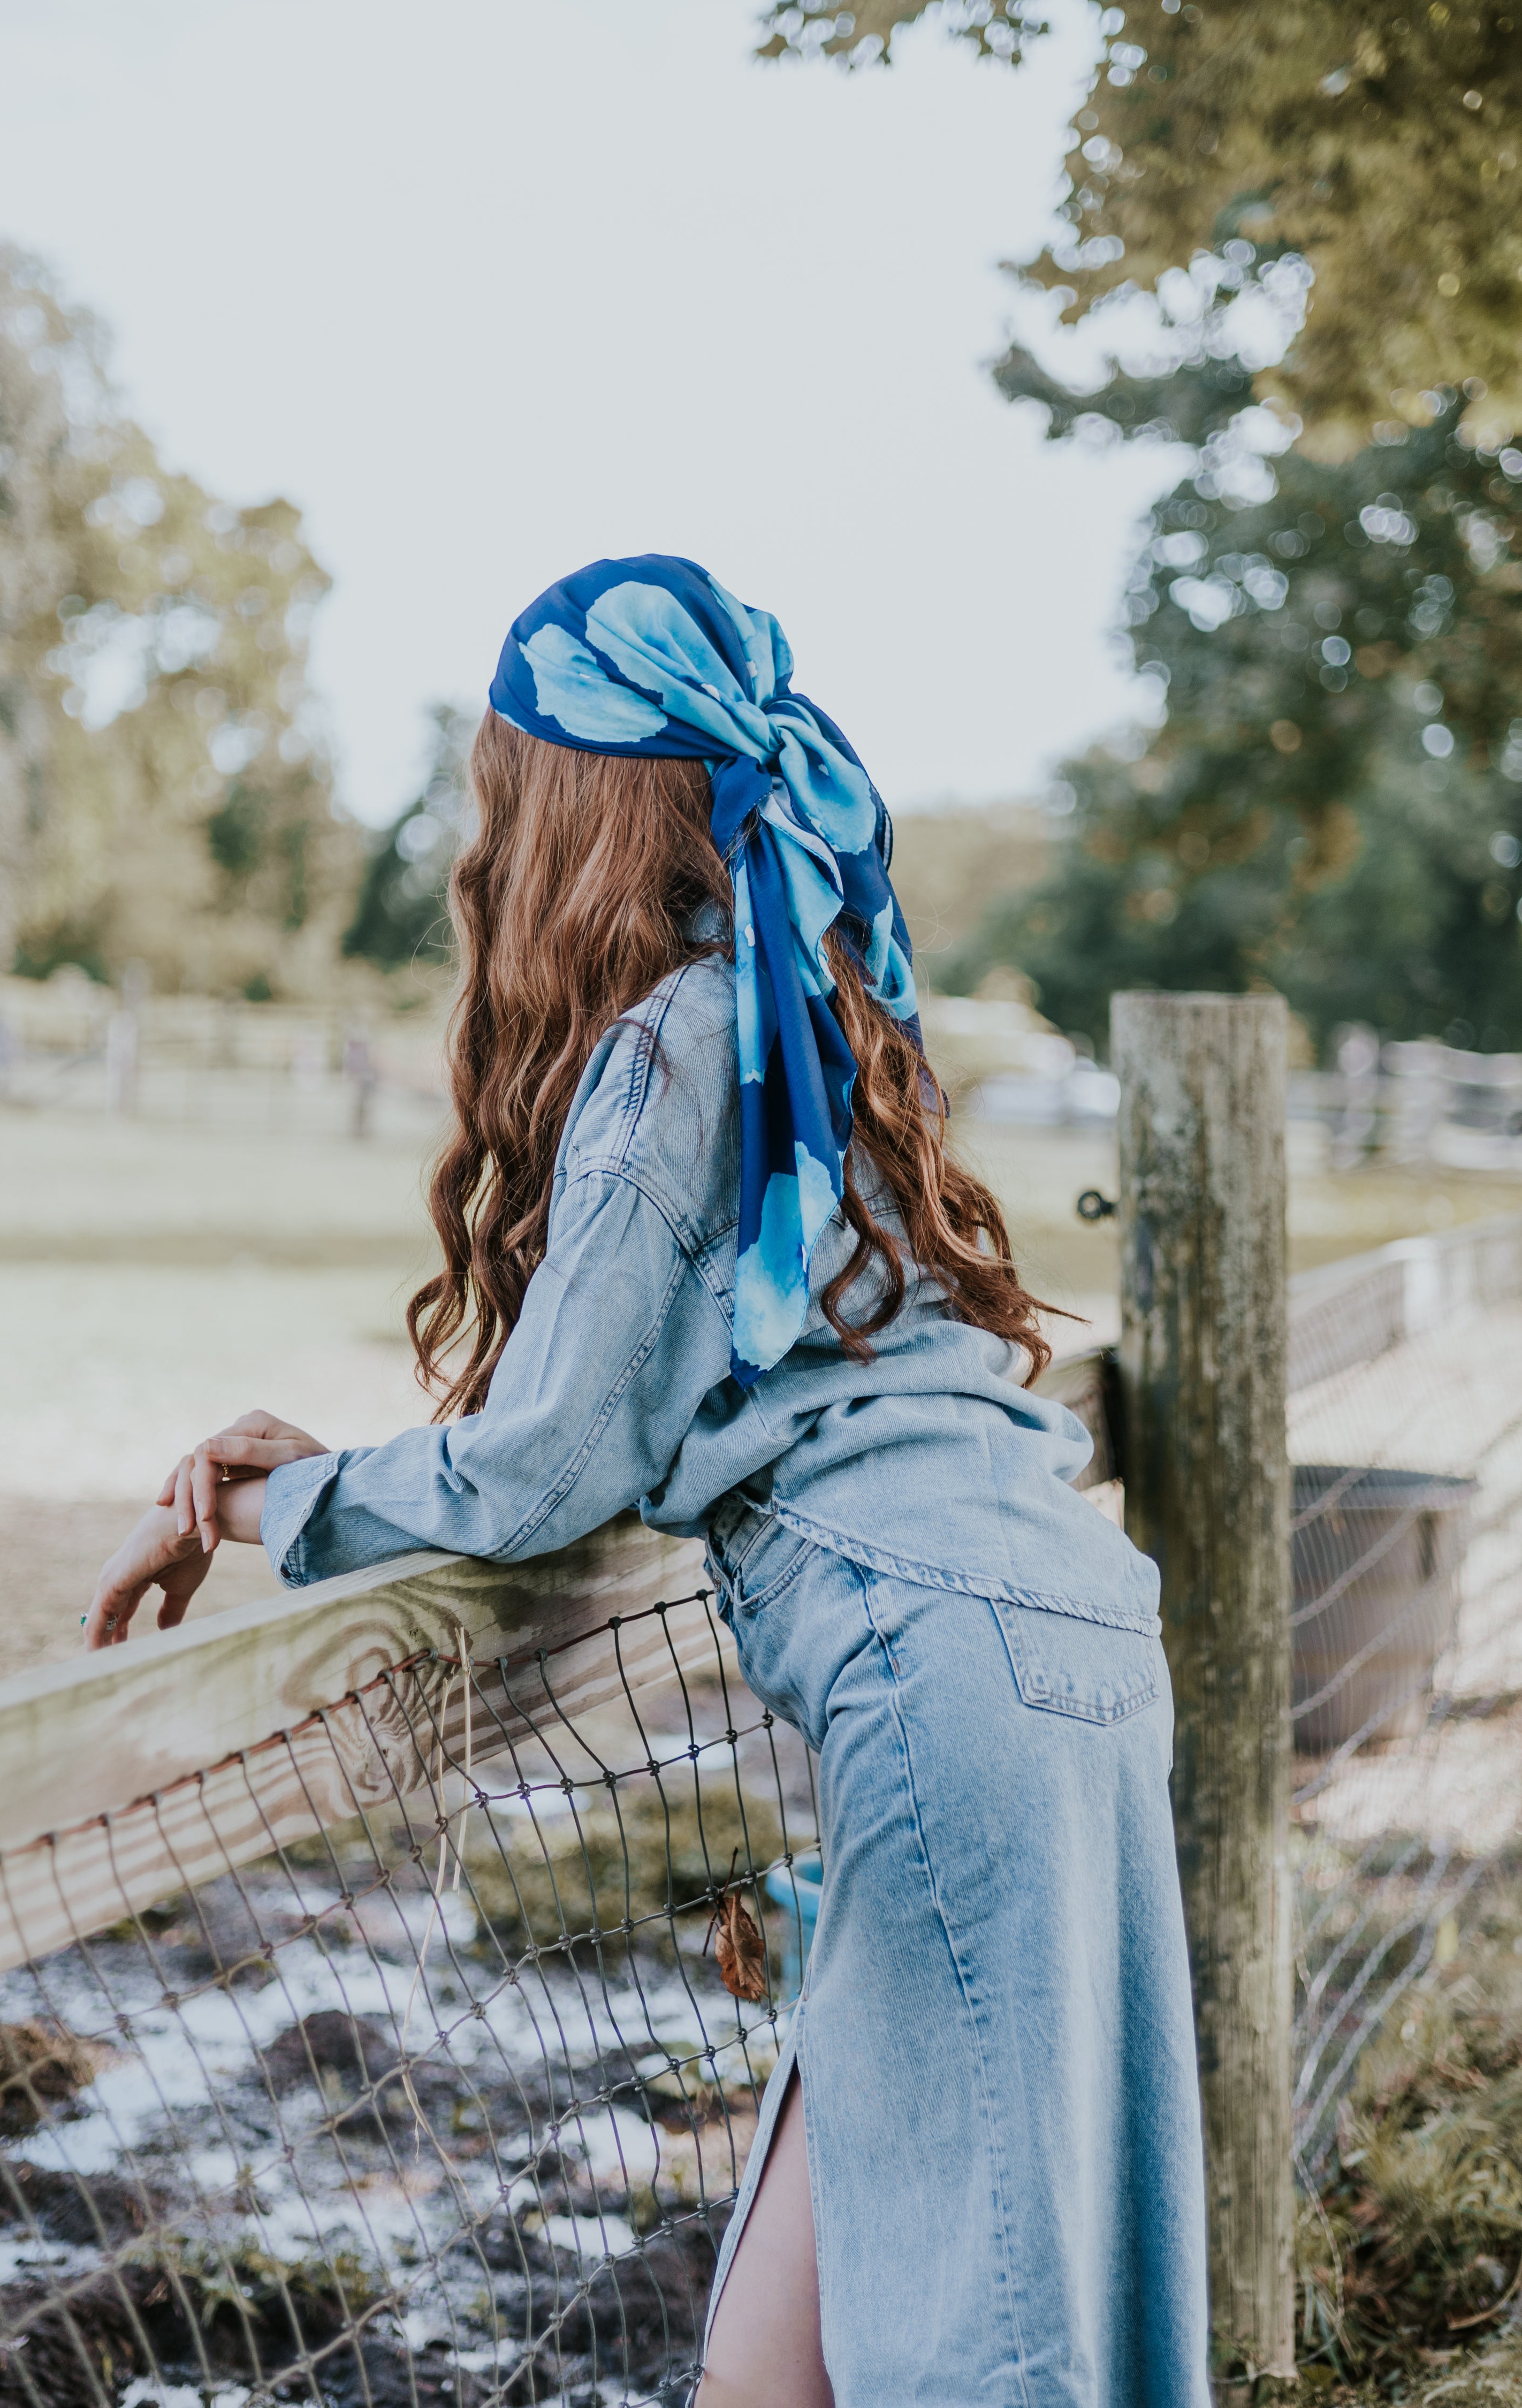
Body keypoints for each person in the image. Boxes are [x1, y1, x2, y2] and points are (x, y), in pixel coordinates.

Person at [86, 556, 1210, 2406]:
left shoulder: (677, 1039)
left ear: (569, 800)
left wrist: (265, 1497)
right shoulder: (815, 1032)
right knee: (884, 2318)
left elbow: (540, 1463)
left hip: (942, 1688)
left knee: (981, 2339)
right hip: (1071, 1648)